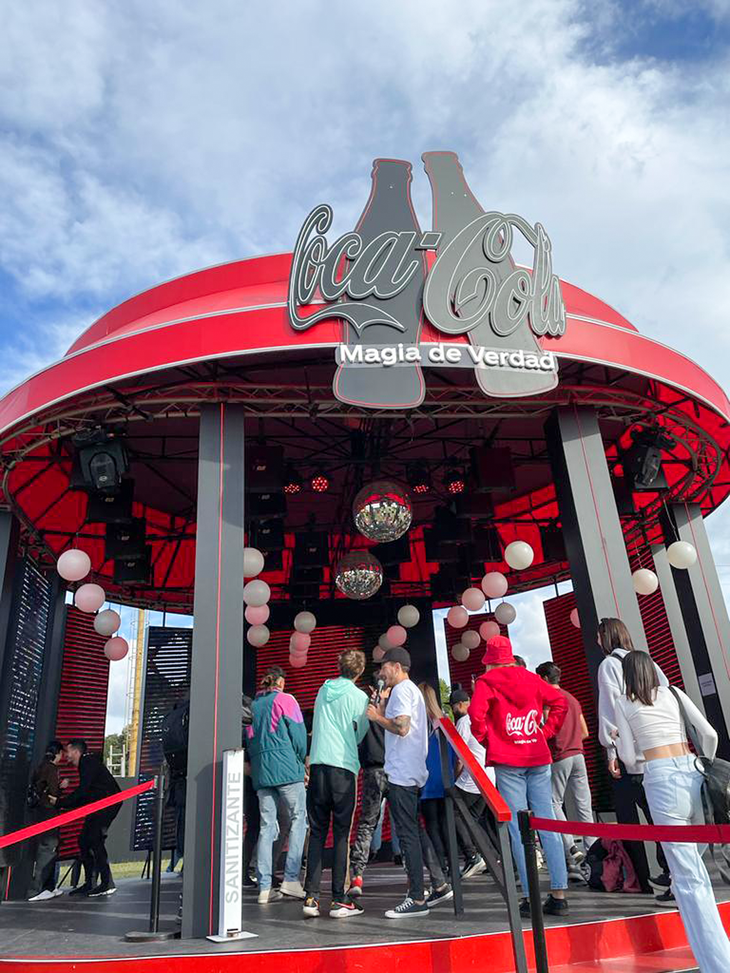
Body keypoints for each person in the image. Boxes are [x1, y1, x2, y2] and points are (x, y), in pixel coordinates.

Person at [611, 650, 730, 973]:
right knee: (692, 868)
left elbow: (630, 759)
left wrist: (631, 746)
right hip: (692, 771)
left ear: (627, 675)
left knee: (690, 880)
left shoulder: (623, 702)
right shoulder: (674, 693)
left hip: (660, 778)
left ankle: (719, 965)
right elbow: (709, 734)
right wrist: (701, 761)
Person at [469, 635, 570, 917]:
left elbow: (476, 718)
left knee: (517, 829)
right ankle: (559, 894)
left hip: (507, 760)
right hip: (538, 756)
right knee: (546, 823)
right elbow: (560, 702)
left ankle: (530, 896)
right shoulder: (530, 678)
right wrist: (545, 733)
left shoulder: (486, 683)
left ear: (490, 660)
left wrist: (490, 742)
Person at [597, 617, 671, 898]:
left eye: (599, 635)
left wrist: (611, 751)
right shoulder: (648, 662)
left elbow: (610, 710)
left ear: (606, 637)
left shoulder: (609, 665)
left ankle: (653, 876)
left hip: (632, 754)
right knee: (662, 818)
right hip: (659, 749)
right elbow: (665, 694)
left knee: (641, 819)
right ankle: (670, 873)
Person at [303, 650, 370, 919]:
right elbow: (361, 732)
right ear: (359, 672)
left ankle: (311, 897)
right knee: (341, 834)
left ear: (339, 666)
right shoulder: (359, 697)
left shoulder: (322, 689)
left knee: (317, 833)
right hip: (343, 768)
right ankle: (340, 899)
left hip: (318, 765)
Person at [367, 647, 430, 918]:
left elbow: (402, 728)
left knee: (406, 835)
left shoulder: (403, 690)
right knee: (413, 831)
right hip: (409, 770)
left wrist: (377, 717)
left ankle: (416, 898)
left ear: (395, 666)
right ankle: (436, 884)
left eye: (383, 667)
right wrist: (383, 711)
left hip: (402, 773)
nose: (381, 672)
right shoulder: (410, 691)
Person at [246, 666, 308, 904]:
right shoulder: (286, 700)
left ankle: (264, 887)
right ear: (281, 682)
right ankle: (291, 879)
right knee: (298, 820)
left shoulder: (254, 706)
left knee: (266, 827)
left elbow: (248, 738)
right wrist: (301, 760)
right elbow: (299, 736)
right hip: (287, 770)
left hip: (262, 773)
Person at [535, 662, 595, 877]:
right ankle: (593, 850)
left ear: (542, 678)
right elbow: (585, 731)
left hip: (560, 755)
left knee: (553, 801)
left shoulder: (548, 700)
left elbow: (546, 728)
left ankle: (570, 846)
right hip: (579, 754)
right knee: (583, 805)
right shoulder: (572, 698)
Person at [55, 739, 121, 897]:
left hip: (107, 804)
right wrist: (65, 804)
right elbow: (86, 793)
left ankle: (107, 882)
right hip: (99, 804)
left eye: (68, 752)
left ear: (77, 752)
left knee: (94, 839)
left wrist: (61, 802)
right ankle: (90, 882)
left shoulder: (87, 762)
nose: (66, 756)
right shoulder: (87, 764)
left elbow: (83, 791)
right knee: (84, 840)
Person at [349, 668, 391, 897]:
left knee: (366, 824)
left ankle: (357, 876)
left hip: (372, 770)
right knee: (407, 824)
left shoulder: (362, 710)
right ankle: (427, 880)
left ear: (370, 688)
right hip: (395, 770)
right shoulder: (395, 708)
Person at [449, 688, 489, 877]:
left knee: (454, 812)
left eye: (454, 706)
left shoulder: (464, 722)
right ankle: (488, 856)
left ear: (461, 704)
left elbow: (460, 756)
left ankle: (473, 857)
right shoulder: (483, 717)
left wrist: (454, 778)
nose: (454, 710)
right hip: (489, 776)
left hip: (472, 777)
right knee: (472, 819)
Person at [26, 740, 64, 901]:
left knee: (47, 848)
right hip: (48, 812)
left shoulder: (40, 767)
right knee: (48, 848)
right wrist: (62, 787)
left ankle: (48, 886)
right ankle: (36, 890)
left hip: (39, 812)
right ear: (58, 753)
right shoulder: (52, 769)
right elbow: (54, 793)